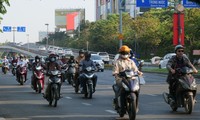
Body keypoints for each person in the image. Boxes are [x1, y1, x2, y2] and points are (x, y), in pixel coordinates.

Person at [112, 45, 142, 113]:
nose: (125, 54)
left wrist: (138, 72)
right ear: (120, 53)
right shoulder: (117, 62)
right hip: (121, 78)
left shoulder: (131, 61)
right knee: (122, 89)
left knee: (137, 88)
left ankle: (136, 106)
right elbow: (115, 70)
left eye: (126, 53)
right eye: (123, 53)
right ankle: (119, 105)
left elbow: (135, 69)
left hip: (131, 78)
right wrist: (115, 73)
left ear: (128, 53)